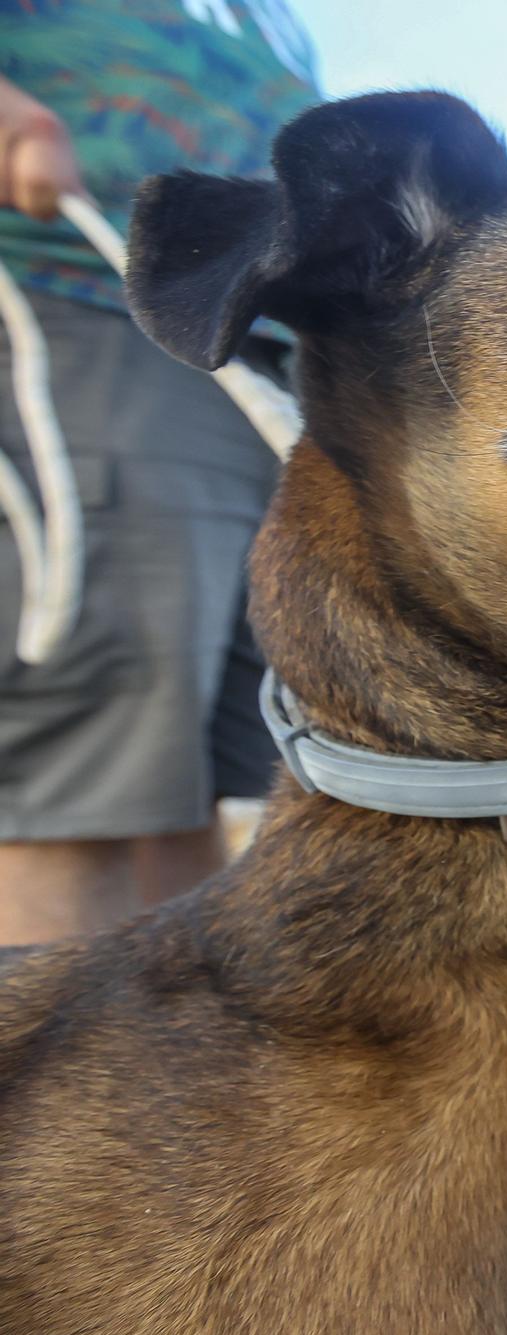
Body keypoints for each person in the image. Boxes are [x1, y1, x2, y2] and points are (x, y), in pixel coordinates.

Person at [0, 3, 319, 945]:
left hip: (262, 353)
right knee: (85, 770)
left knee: (191, 772)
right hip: (80, 303)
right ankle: (52, 1093)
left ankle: (191, 1081)